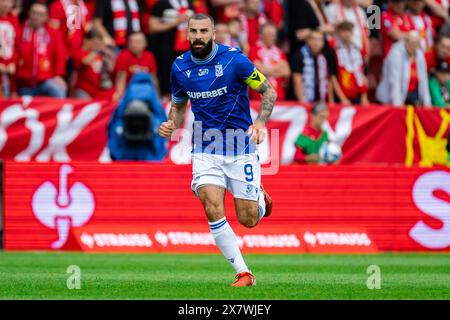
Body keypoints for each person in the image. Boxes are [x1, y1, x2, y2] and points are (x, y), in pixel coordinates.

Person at [159, 13, 276, 287]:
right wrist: (170, 123)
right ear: (187, 34)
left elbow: (269, 92)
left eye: (203, 31)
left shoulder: (234, 60)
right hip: (205, 149)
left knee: (248, 219)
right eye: (193, 31)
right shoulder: (179, 67)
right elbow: (178, 107)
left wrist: (259, 123)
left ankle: (258, 196)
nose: (198, 36)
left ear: (213, 34)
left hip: (240, 147)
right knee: (211, 206)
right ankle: (243, 272)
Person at [16, 3, 67, 97]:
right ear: (29, 13)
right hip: (24, 82)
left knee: (59, 87)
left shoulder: (53, 34)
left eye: (40, 14)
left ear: (46, 17)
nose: (36, 17)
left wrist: (58, 75)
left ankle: (60, 111)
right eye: (34, 13)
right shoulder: (20, 31)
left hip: (45, 80)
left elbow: (60, 56)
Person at [376, 31, 431, 106]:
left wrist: (427, 103)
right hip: (390, 98)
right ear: (405, 40)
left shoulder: (419, 55)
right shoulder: (395, 54)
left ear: (418, 44)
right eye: (409, 41)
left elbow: (424, 80)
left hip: (412, 95)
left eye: (414, 42)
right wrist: (397, 104)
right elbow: (394, 81)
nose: (411, 45)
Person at [290, 29, 337, 103]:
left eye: (319, 40)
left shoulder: (325, 57)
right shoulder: (299, 56)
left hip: (322, 102)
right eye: (313, 39)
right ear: (308, 41)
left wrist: (331, 101)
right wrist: (303, 103)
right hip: (303, 102)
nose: (316, 43)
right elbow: (297, 82)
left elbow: (329, 80)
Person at [249, 22, 290, 100]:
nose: (273, 38)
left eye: (274, 35)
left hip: (279, 98)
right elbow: (260, 71)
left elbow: (286, 72)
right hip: (259, 98)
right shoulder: (254, 50)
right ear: (261, 36)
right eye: (270, 35)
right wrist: (278, 68)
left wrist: (267, 70)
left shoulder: (279, 52)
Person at [114, 31, 159, 101]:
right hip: (129, 94)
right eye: (131, 42)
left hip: (146, 93)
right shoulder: (124, 55)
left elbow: (153, 78)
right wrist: (121, 99)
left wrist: (157, 98)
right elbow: (120, 80)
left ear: (145, 43)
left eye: (138, 42)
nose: (134, 45)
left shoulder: (149, 56)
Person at [72, 28, 115, 99]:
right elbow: (85, 61)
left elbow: (111, 69)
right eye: (95, 43)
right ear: (86, 40)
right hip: (83, 89)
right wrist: (98, 50)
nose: (97, 45)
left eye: (99, 43)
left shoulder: (98, 55)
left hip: (97, 90)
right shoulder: (79, 52)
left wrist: (109, 56)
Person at [334, 21, 369, 104]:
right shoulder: (334, 50)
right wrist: (342, 98)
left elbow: (363, 73)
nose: (347, 34)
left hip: (357, 94)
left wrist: (364, 96)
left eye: (349, 31)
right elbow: (332, 77)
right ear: (338, 33)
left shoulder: (357, 49)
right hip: (341, 95)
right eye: (344, 31)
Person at [0, 0, 20, 97]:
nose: (6, 4)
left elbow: (16, 44)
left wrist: (13, 62)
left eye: (9, 1)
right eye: (3, 1)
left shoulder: (13, 18)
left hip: (10, 68)